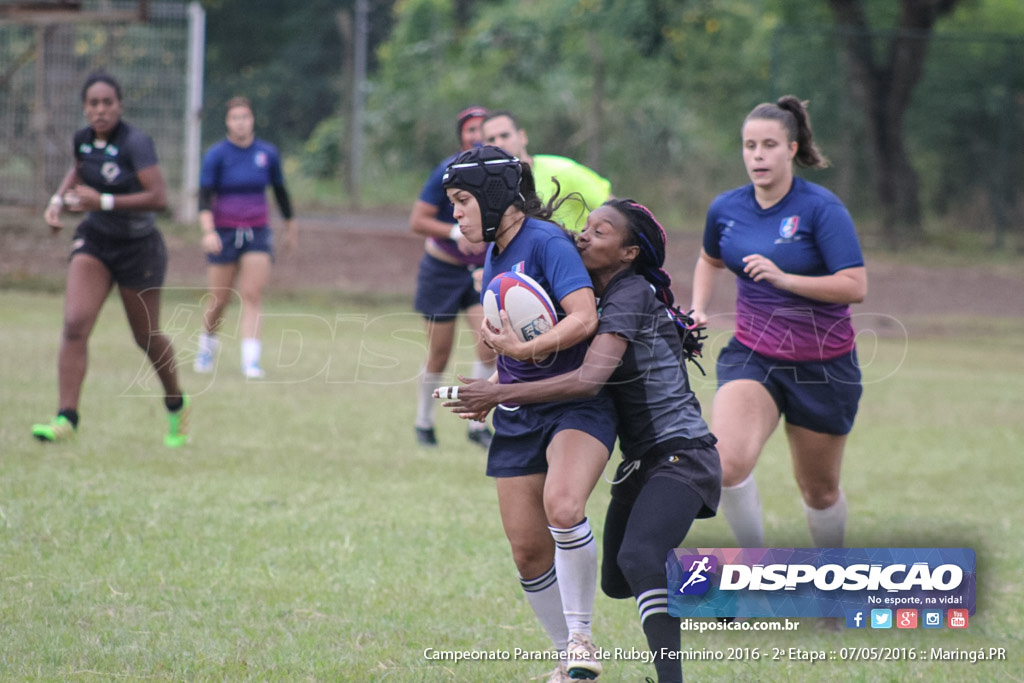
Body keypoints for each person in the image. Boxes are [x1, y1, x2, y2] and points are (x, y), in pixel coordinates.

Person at [441, 199, 721, 683]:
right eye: (585, 227)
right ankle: (720, 591)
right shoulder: (591, 290)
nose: (584, 235)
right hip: (640, 465)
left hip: (684, 456)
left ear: (629, 252)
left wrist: (498, 392)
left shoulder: (631, 292)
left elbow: (588, 382)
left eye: (601, 231)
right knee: (616, 578)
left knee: (640, 557)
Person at [441, 145, 618, 682]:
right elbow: (522, 350)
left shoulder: (545, 242)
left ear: (496, 198)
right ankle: (568, 656)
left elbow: (583, 319)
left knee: (563, 508)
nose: (456, 213)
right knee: (526, 551)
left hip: (575, 405)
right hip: (519, 411)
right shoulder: (494, 252)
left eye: (462, 200)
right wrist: (488, 389)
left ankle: (583, 637)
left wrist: (515, 356)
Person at [688, 95, 867, 550]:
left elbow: (854, 285)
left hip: (823, 366)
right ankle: (757, 564)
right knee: (725, 465)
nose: (757, 155)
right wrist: (697, 306)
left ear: (791, 149)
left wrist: (787, 279)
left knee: (819, 492)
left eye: (769, 145)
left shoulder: (821, 209)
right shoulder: (726, 209)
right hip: (754, 355)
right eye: (749, 146)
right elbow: (710, 259)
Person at [33, 70, 190, 448]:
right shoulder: (83, 140)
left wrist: (101, 201)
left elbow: (159, 198)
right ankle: (65, 418)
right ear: (85, 108)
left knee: (146, 337)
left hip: (140, 248)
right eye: (93, 104)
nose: (100, 110)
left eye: (107, 103)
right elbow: (78, 169)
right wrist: (58, 202)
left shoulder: (136, 143)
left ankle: (176, 404)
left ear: (119, 105)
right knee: (75, 323)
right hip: (97, 240)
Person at [409, 106, 495, 448]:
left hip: (480, 272)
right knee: (439, 352)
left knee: (489, 344)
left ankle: (476, 425)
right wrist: (453, 232)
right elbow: (418, 221)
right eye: (471, 129)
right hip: (442, 270)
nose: (477, 135)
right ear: (461, 135)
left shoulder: (498, 172)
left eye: (483, 130)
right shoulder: (447, 170)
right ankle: (423, 422)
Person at [193, 96, 297, 379]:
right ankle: (206, 347)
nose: (241, 122)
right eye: (235, 118)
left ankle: (251, 361)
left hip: (257, 232)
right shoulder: (216, 155)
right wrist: (208, 230)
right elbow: (204, 198)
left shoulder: (267, 154)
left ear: (252, 120)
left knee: (252, 294)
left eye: (245, 117)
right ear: (228, 122)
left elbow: (280, 192)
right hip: (223, 232)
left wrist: (290, 227)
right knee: (220, 299)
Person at [481, 110, 611, 234]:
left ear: (522, 137)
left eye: (505, 135)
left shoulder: (562, 169)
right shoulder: (488, 189)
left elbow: (612, 209)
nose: (499, 143)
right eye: (491, 140)